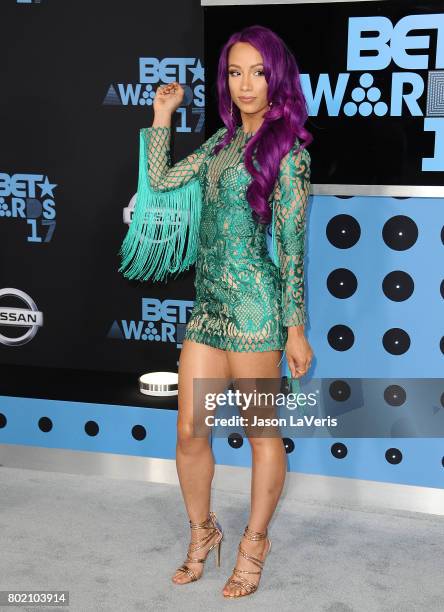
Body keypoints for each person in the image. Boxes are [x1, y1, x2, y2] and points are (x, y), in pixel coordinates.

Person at [118, 24, 314, 599]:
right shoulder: (219, 144)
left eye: (257, 71)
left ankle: (255, 543)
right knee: (188, 429)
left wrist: (295, 329)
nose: (245, 83)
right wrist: (163, 117)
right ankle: (204, 532)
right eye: (234, 72)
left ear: (275, 76)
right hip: (209, 309)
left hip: (256, 311)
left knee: (260, 433)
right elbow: (160, 181)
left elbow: (293, 248)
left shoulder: (290, 154)